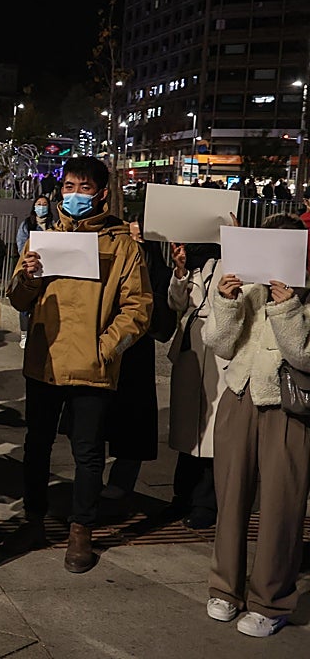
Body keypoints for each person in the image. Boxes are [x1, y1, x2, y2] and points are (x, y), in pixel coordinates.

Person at [9, 156, 152, 573]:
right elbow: (18, 299)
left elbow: (138, 310)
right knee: (36, 444)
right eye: (68, 186)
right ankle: (33, 518)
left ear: (102, 193)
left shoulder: (121, 245)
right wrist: (29, 277)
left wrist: (105, 347)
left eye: (83, 188)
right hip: (44, 361)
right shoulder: (42, 238)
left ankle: (80, 530)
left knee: (88, 453)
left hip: (92, 366)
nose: (73, 195)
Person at [203, 212, 310, 639]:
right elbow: (220, 342)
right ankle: (225, 589)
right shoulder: (242, 281)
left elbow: (304, 356)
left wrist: (286, 307)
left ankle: (271, 600)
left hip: (289, 407)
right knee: (229, 499)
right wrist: (227, 301)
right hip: (239, 396)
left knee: (282, 506)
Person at [101, 218, 176, 513]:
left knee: (132, 420)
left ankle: (122, 480)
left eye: (140, 239)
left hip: (136, 352)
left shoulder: (157, 270)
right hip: (107, 346)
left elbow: (162, 320)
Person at [166, 241, 227, 529]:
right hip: (190, 349)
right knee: (188, 427)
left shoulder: (232, 260)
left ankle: (207, 501)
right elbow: (176, 304)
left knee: (213, 431)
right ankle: (182, 496)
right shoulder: (191, 262)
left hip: (219, 351)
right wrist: (179, 271)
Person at [15, 196, 54, 349]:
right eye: (39, 204)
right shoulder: (27, 224)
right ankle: (24, 334)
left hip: (48, 269)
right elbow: (21, 247)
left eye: (45, 204)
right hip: (30, 268)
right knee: (26, 304)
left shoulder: (54, 224)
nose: (42, 207)